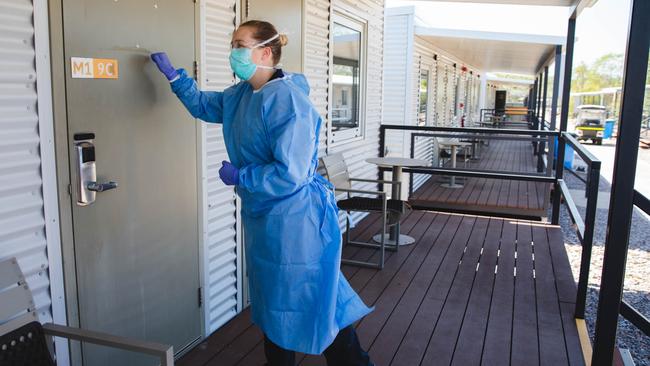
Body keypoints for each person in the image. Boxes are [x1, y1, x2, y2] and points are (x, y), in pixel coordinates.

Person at [151, 20, 374, 366]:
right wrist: (176, 79)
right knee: (278, 301)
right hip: (265, 218)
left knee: (312, 298)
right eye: (233, 44)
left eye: (240, 45)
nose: (233, 53)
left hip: (296, 220)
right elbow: (205, 106)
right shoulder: (241, 95)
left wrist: (244, 174)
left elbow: (292, 174)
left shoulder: (288, 100)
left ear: (265, 51)